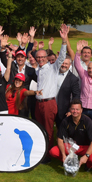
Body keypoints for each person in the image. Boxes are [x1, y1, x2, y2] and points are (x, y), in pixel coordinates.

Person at [34, 24, 71, 157]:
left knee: (49, 129)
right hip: (38, 103)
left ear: (47, 58)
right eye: (38, 57)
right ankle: (41, 150)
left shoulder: (53, 68)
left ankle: (48, 154)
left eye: (42, 57)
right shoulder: (38, 70)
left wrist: (64, 41)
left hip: (49, 103)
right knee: (40, 128)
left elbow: (61, 57)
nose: (40, 59)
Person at [50, 100, 92, 171]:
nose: (75, 111)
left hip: (84, 147)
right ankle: (68, 161)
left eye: (77, 109)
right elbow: (60, 139)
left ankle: (88, 166)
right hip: (70, 146)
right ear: (70, 109)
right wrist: (63, 155)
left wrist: (86, 156)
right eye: (73, 109)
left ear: (81, 110)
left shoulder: (87, 121)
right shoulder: (65, 121)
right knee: (53, 151)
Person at [55, 57, 81, 130]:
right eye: (62, 63)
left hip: (63, 109)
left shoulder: (73, 79)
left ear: (70, 65)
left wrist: (71, 110)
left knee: (62, 129)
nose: (64, 65)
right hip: (51, 106)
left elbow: (76, 95)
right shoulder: (54, 74)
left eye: (66, 63)